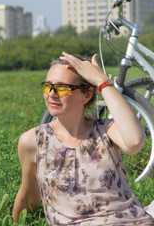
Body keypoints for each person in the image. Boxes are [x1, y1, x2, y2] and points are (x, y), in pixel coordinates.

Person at [12, 52, 154, 225]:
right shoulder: (33, 141)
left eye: (62, 88)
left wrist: (102, 82)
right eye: (48, 86)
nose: (52, 94)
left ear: (87, 95)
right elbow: (27, 198)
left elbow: (134, 141)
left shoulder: (105, 130)